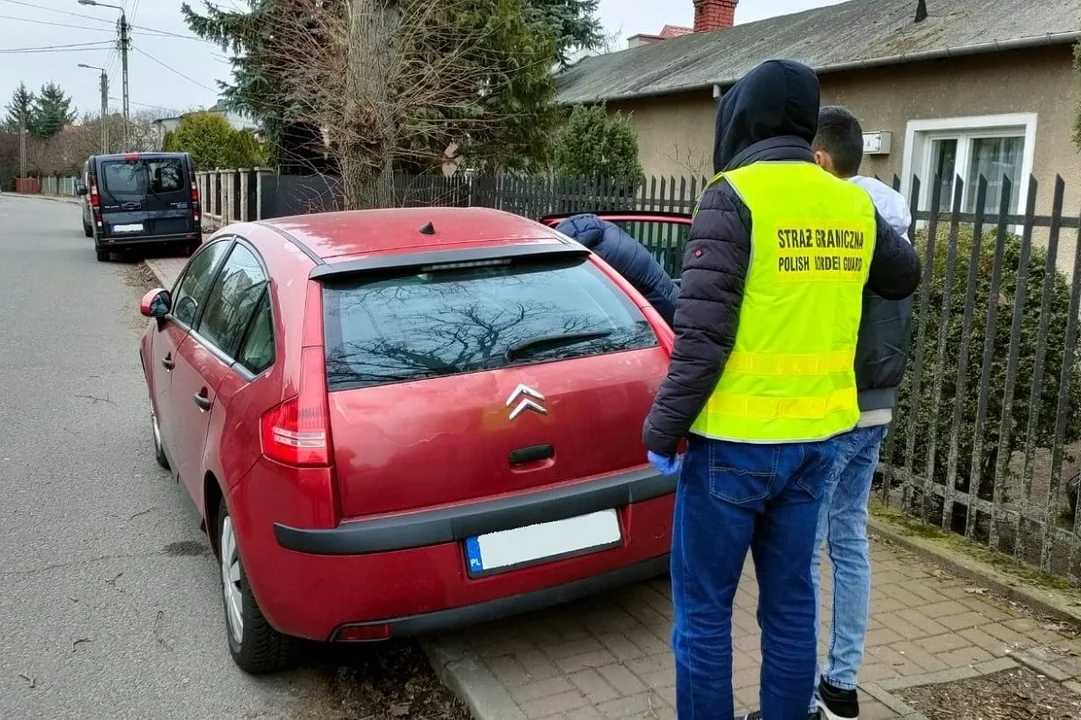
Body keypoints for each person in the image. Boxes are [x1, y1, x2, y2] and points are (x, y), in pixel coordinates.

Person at [641, 60, 921, 720]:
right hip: (816, 444)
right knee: (790, 605)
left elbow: (701, 336)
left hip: (732, 447)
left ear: (744, 115)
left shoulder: (733, 193)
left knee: (705, 613)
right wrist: (863, 214)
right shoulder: (849, 200)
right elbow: (902, 275)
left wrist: (661, 428)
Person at [807, 106, 915, 720]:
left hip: (837, 409)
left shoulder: (840, 225)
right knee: (849, 540)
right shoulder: (896, 228)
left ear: (823, 160)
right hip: (880, 404)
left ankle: (798, 698)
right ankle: (841, 687)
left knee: (803, 553)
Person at [555, 213, 680, 326]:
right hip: (664, 289)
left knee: (677, 331)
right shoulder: (605, 228)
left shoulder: (596, 256)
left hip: (658, 298)